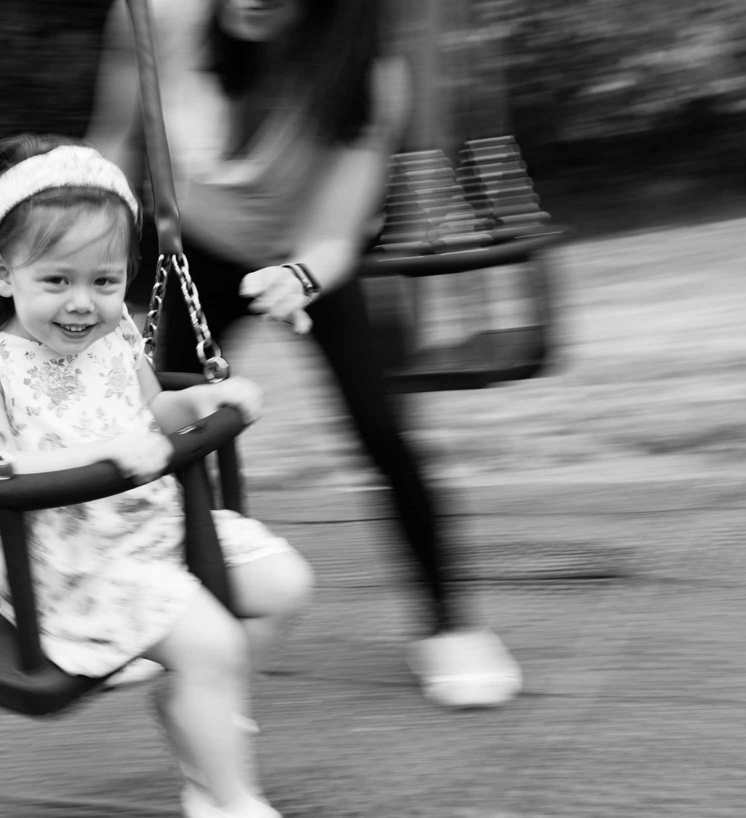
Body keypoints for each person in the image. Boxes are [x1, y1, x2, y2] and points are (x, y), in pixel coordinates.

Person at [87, 0, 523, 709]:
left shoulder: (366, 73)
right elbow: (113, 140)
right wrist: (80, 245)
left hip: (308, 261)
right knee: (154, 429)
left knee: (381, 429)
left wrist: (301, 279)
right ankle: (138, 611)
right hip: (198, 249)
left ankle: (451, 627)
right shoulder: (152, 18)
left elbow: (334, 237)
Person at [0, 134, 312, 818]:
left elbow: (155, 409)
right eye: (56, 280)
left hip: (151, 525)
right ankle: (227, 796)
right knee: (213, 644)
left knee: (286, 584)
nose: (82, 303)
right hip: (66, 566)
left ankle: (188, 700)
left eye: (104, 281)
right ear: (3, 271)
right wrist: (107, 454)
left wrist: (201, 400)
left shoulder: (116, 338)